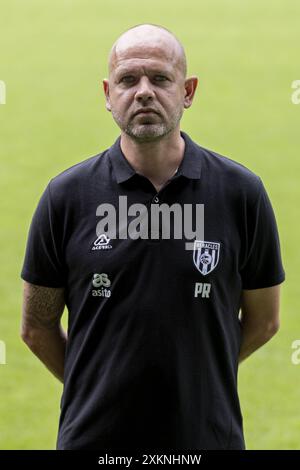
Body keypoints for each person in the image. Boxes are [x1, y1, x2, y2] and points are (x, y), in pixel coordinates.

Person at [20, 23, 285, 450]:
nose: (144, 91)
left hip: (205, 441)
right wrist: (99, 384)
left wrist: (199, 374)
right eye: (128, 79)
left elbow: (266, 320)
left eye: (160, 78)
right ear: (108, 94)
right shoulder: (65, 197)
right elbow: (36, 327)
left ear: (188, 91)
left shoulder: (241, 193)